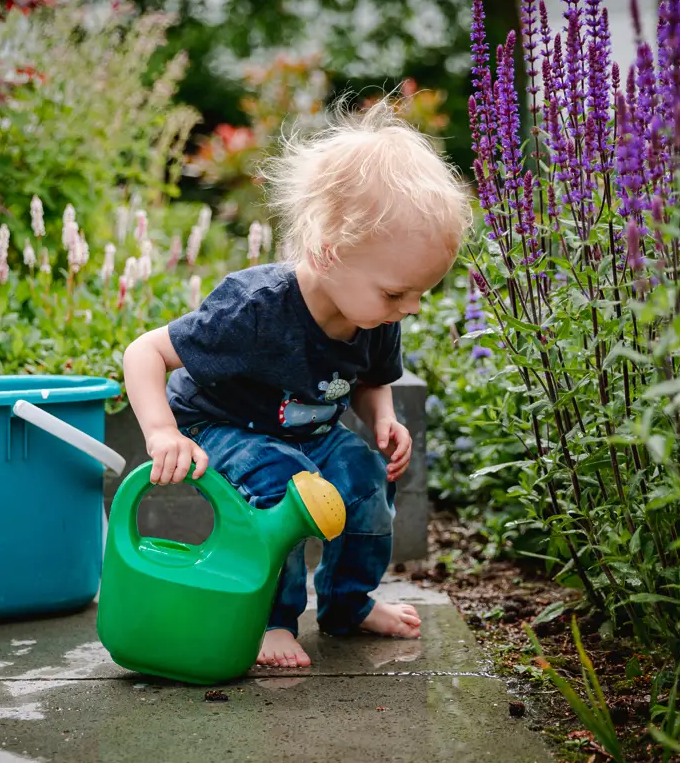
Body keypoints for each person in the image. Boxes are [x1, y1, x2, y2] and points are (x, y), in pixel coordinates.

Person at [122, 96, 471, 668]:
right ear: (329, 254)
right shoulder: (255, 308)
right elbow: (145, 352)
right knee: (284, 486)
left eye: (419, 294)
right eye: (396, 293)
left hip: (304, 429)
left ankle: (347, 605)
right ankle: (272, 619)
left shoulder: (375, 311)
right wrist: (161, 432)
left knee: (362, 479)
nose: (409, 308)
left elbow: (372, 379)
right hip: (223, 422)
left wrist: (383, 417)